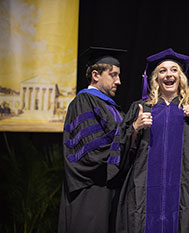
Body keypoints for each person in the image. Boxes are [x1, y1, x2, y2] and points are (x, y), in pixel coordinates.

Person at [114, 48, 189, 233]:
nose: (169, 74)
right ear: (155, 78)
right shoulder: (140, 108)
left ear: (181, 76)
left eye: (174, 69)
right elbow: (122, 153)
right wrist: (135, 128)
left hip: (180, 190)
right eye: (163, 70)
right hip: (143, 189)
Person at [58, 46, 126, 233]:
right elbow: (91, 151)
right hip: (91, 189)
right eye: (113, 75)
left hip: (110, 187)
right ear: (96, 75)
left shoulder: (112, 106)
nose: (118, 81)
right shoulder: (83, 102)